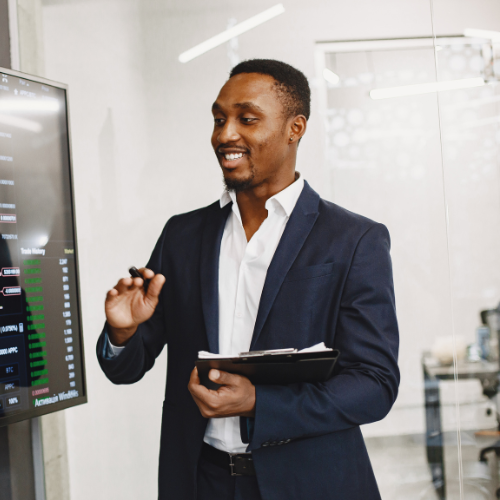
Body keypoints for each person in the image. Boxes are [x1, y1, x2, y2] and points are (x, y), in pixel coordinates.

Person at [96, 59, 400, 500]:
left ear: (295, 128)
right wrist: (123, 333)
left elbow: (374, 385)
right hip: (202, 481)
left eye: (246, 119)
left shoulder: (353, 240)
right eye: (219, 119)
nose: (225, 134)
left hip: (312, 484)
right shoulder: (182, 236)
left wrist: (259, 402)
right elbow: (128, 368)